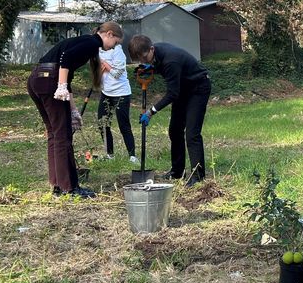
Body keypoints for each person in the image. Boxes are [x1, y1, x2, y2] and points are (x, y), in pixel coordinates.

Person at [27, 21, 124, 198]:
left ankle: (57, 185)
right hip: (51, 79)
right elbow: (66, 58)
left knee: (54, 133)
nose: (113, 47)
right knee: (63, 135)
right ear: (109, 34)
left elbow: (66, 74)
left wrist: (72, 110)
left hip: (37, 78)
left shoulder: (86, 42)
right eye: (116, 42)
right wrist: (61, 85)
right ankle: (69, 188)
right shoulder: (92, 42)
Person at [127, 35, 211, 187]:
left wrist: (151, 111)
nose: (144, 62)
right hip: (183, 88)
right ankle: (177, 171)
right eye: (140, 61)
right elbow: (160, 68)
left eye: (145, 58)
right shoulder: (155, 53)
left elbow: (173, 93)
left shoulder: (171, 60)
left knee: (192, 133)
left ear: (151, 48)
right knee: (175, 130)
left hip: (198, 87)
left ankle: (198, 176)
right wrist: (150, 68)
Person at [97, 43, 138, 163]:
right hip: (106, 92)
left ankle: (132, 156)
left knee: (123, 125)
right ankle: (109, 155)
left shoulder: (118, 51)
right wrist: (102, 69)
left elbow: (117, 74)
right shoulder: (98, 51)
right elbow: (98, 72)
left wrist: (105, 65)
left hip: (121, 93)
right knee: (103, 124)